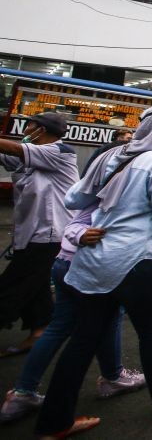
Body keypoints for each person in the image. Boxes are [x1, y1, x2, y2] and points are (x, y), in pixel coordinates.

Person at [35, 106, 152, 438]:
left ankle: (53, 421)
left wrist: (104, 215)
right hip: (138, 258)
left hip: (95, 257)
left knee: (83, 339)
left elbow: (75, 198)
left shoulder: (112, 157)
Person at [0, 198, 146, 423]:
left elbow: (76, 213)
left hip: (64, 259)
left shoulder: (100, 180)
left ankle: (22, 392)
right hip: (91, 264)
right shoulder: (131, 180)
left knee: (61, 326)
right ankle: (107, 381)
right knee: (95, 328)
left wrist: (78, 234)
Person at [0, 112, 76, 358]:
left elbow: (14, 148)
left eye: (31, 124)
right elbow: (10, 157)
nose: (27, 127)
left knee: (12, 287)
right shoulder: (32, 153)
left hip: (50, 234)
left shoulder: (60, 152)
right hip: (31, 232)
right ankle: (40, 329)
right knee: (37, 285)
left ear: (42, 129)